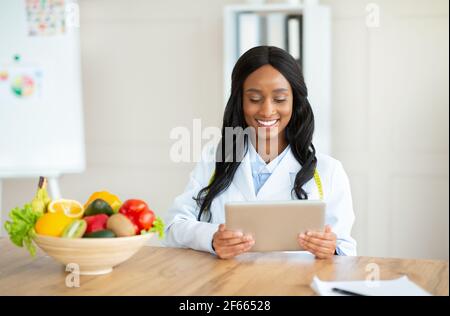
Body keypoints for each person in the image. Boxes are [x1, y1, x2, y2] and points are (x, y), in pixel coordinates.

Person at [164, 46, 356, 259]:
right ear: (240, 101)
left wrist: (330, 248)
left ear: (296, 102)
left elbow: (345, 250)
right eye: (254, 99)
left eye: (280, 99)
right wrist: (212, 238)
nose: (266, 110)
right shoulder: (215, 159)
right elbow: (173, 227)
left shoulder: (328, 172)